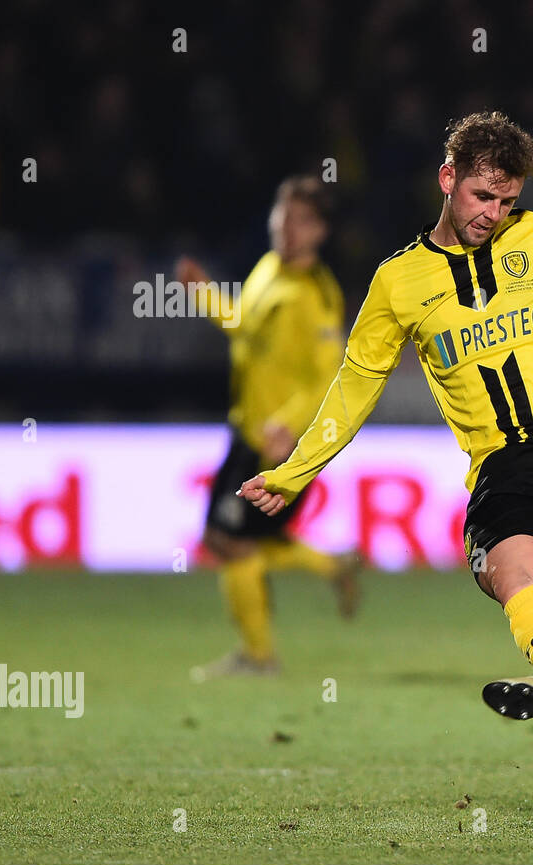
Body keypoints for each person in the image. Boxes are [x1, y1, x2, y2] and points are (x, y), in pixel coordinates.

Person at [238, 112, 533, 827]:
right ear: (448, 180)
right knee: (523, 584)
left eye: (506, 201)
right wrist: (294, 471)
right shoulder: (399, 283)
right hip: (501, 467)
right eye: (481, 197)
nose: (494, 215)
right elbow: (355, 385)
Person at [179, 175, 361, 682]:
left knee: (231, 541)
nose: (288, 228)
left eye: (303, 220)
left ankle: (259, 657)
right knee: (233, 538)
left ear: (321, 231)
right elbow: (243, 325)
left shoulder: (316, 296)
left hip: (274, 444)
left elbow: (330, 373)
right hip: (248, 431)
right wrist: (205, 295)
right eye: (283, 215)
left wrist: (292, 425)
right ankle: (331, 569)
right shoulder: (268, 268)